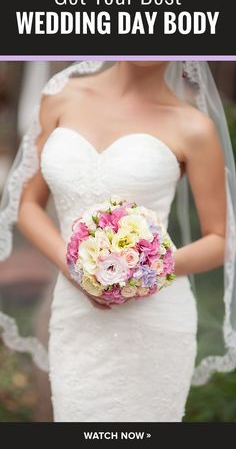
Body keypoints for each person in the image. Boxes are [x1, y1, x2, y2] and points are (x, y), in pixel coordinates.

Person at [0, 61, 235, 422]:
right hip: (75, 312)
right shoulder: (59, 99)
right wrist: (78, 271)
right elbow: (28, 205)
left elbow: (220, 237)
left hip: (155, 315)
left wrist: (144, 271)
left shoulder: (194, 126)